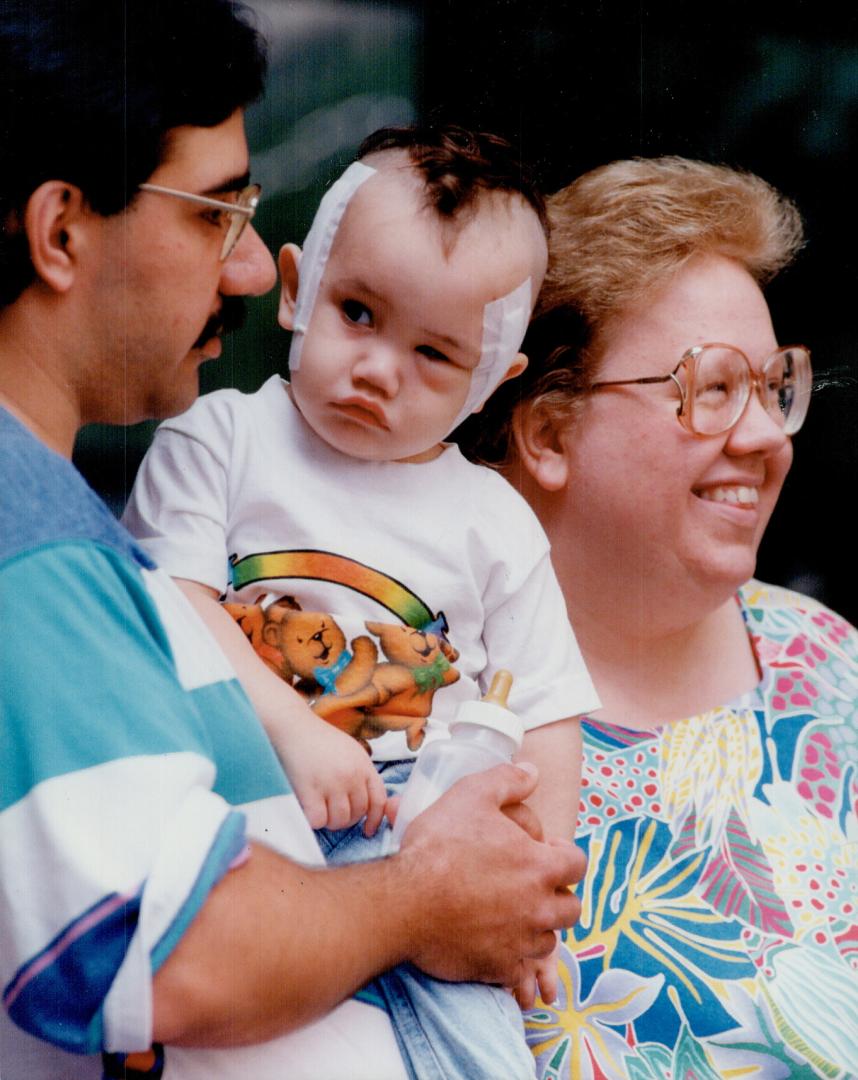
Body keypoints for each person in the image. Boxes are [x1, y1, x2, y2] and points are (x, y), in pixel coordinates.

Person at [0, 3, 586, 1079]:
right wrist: (425, 898)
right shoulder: (32, 547)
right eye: (212, 215)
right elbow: (170, 953)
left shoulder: (58, 529)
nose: (253, 275)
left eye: (436, 352)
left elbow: (549, 718)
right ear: (63, 232)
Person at [121, 123, 601, 1079]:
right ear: (298, 289)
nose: (380, 370)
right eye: (359, 314)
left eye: (434, 354)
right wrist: (298, 736)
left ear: (489, 384)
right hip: (250, 823)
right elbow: (173, 604)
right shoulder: (221, 440)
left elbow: (547, 719)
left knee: (482, 1056)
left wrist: (527, 880)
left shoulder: (493, 523)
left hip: (431, 840)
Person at [466, 156, 858, 1079]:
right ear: (550, 433)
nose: (763, 438)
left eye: (773, 388)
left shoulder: (828, 665)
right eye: (713, 388)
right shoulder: (433, 711)